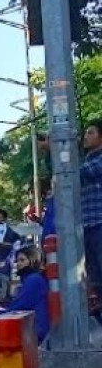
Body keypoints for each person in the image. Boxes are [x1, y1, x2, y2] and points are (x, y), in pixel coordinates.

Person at [80, 120, 102, 291]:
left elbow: (79, 174)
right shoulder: (86, 160)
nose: (85, 136)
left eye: (90, 132)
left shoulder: (98, 160)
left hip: (99, 224)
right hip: (88, 226)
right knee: (94, 278)